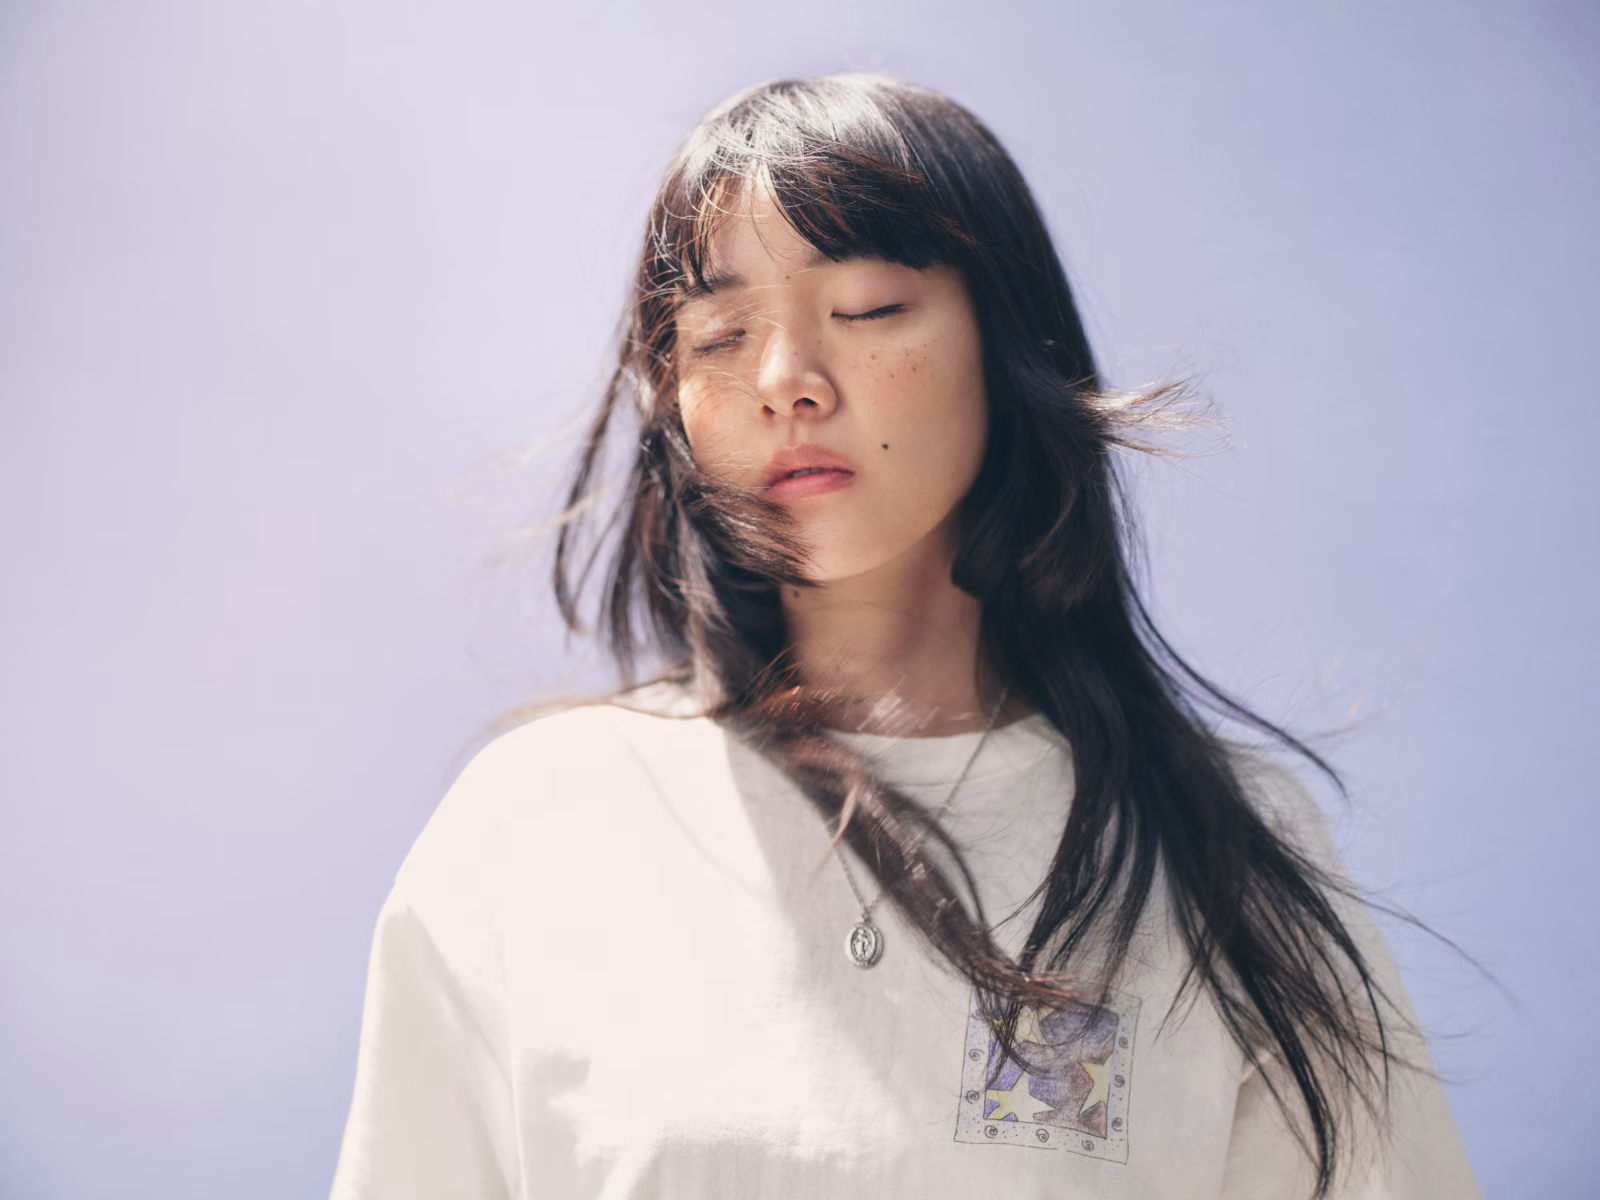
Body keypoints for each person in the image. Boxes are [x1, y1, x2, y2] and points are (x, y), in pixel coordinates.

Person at [329, 73, 1479, 1199]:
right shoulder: (540, 820)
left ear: (1006, 341)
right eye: (721, 333)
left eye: (869, 308)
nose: (785, 381)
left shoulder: (1210, 843)